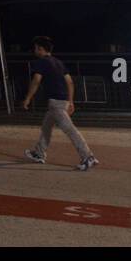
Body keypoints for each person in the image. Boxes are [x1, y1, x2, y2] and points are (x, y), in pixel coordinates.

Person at [23, 36, 98, 170]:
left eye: (35, 48)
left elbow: (36, 81)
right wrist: (71, 101)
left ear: (40, 49)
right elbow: (69, 82)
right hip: (62, 101)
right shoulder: (58, 62)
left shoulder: (42, 62)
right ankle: (39, 153)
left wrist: (28, 98)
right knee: (46, 127)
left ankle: (88, 156)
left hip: (55, 103)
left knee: (70, 130)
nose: (34, 50)